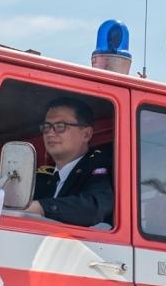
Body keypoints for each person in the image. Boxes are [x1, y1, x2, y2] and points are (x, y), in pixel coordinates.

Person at [22, 96, 113, 227]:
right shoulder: (42, 179)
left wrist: (41, 208)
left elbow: (94, 208)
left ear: (86, 134)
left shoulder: (98, 168)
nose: (50, 133)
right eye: (47, 127)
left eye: (60, 126)